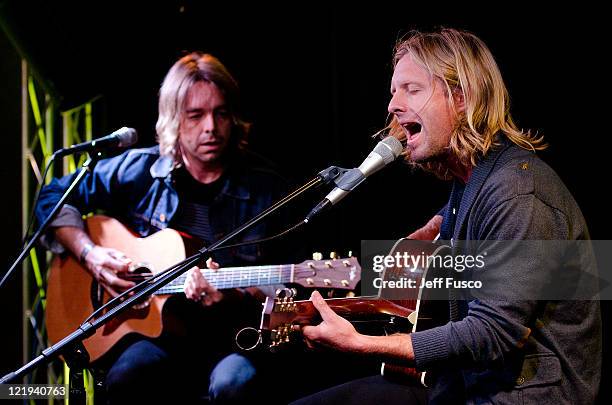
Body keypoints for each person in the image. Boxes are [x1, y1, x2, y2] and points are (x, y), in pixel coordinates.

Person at [290, 28, 602, 404]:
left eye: (412, 89)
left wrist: (362, 343)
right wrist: (433, 231)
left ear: (460, 97)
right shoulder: (474, 181)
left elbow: (492, 332)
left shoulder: (518, 194)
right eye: (393, 91)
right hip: (471, 385)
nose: (393, 105)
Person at [36, 52, 290, 404]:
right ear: (173, 118)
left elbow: (283, 285)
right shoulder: (139, 170)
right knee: (130, 375)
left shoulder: (268, 189)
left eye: (221, 113)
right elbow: (53, 197)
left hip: (228, 339)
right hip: (149, 335)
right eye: (195, 115)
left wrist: (231, 296)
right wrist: (91, 255)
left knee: (237, 383)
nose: (210, 128)